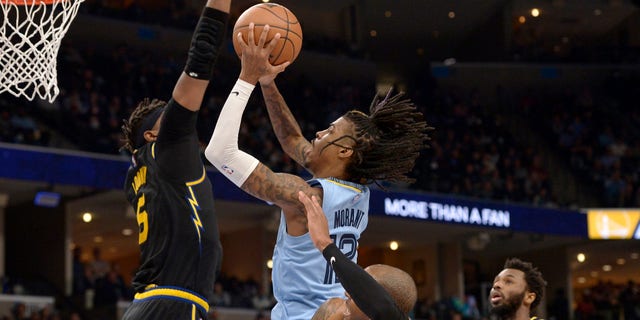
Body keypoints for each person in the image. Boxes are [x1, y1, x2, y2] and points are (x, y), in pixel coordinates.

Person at [204, 24, 431, 319]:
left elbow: (219, 153)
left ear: (345, 152)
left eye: (330, 130)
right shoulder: (357, 194)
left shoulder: (306, 199)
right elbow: (291, 140)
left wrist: (246, 77)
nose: (320, 133)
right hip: (332, 309)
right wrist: (268, 83)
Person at [119, 0, 230, 318]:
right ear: (153, 136)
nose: (177, 114)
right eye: (166, 116)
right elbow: (201, 57)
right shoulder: (167, 146)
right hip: (174, 303)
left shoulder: (139, 174)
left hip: (150, 304)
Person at [298, 191, 417, 320]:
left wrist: (324, 243)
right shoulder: (336, 311)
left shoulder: (388, 312)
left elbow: (382, 307)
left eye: (359, 289)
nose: (347, 292)